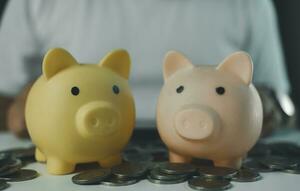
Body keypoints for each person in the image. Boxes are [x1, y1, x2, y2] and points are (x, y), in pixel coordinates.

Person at [0, 0, 294, 137]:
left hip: (219, 145)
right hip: (72, 145)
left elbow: (280, 102)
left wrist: (267, 107)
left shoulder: (248, 4)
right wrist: (20, 106)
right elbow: (5, 99)